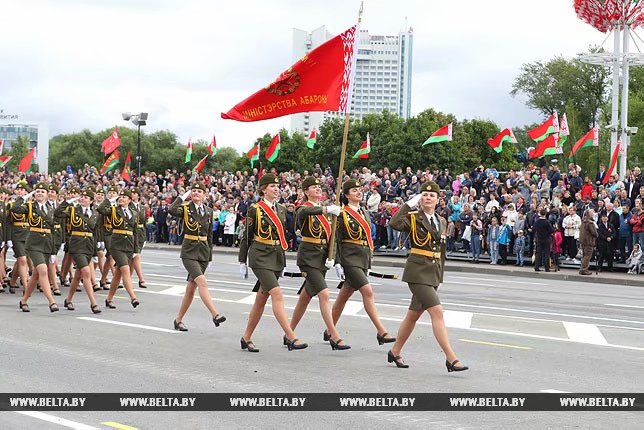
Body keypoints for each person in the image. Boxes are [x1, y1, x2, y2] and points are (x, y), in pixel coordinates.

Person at [387, 181, 468, 371]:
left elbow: (441, 252)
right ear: (420, 199)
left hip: (432, 273)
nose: (428, 198)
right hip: (417, 272)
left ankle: (395, 351)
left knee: (413, 315)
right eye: (424, 195)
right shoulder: (413, 218)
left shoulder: (441, 220)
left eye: (432, 196)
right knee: (437, 312)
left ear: (438, 199)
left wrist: (439, 277)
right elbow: (394, 223)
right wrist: (408, 205)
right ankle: (451, 358)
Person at [238, 173, 308, 352]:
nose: (276, 189)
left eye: (277, 187)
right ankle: (291, 336)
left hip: (276, 256)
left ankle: (246, 338)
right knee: (277, 294)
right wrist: (242, 260)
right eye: (272, 187)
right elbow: (247, 236)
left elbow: (287, 234)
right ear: (263, 189)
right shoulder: (255, 209)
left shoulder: (283, 209)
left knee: (261, 300)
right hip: (260, 256)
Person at [331, 179, 396, 346]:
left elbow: (367, 238)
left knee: (344, 296)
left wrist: (368, 261)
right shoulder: (341, 213)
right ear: (346, 195)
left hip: (362, 257)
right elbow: (335, 239)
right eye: (354, 191)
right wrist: (337, 261)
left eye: (360, 190)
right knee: (367, 291)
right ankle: (381, 331)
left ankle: (329, 330)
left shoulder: (364, 212)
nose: (359, 193)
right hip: (349, 258)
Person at [288, 177, 349, 350]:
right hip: (308, 258)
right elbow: (303, 214)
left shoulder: (328, 214)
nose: (317, 189)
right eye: (313, 187)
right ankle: (333, 335)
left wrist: (335, 260)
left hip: (322, 258)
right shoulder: (304, 208)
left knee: (305, 298)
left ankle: (289, 333)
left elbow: (332, 238)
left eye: (318, 187)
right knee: (324, 294)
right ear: (305, 191)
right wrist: (327, 209)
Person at [169, 182, 225, 331]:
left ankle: (178, 319)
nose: (196, 193)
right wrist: (182, 196)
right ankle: (215, 314)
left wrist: (210, 256)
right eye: (193, 191)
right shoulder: (186, 208)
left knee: (191, 288)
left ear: (204, 195)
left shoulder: (208, 211)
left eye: (199, 191)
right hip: (189, 251)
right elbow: (171, 209)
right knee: (202, 283)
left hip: (203, 251)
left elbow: (210, 235)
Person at [11, 184, 59, 313]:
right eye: (37, 191)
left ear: (47, 194)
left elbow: (53, 230)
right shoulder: (29, 207)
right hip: (34, 243)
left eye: (42, 191)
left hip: (47, 243)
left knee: (36, 275)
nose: (39, 193)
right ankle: (51, 301)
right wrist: (23, 197)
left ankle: (24, 300)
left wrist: (54, 251)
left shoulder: (51, 208)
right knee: (43, 270)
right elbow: (15, 209)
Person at [55, 188, 102, 313]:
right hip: (76, 245)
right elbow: (57, 213)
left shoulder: (96, 213)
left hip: (89, 245)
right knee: (86, 273)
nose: (82, 199)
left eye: (86, 198)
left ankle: (68, 299)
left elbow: (95, 232)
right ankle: (93, 303)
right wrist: (67, 202)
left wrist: (95, 252)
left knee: (78, 275)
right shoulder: (73, 210)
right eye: (81, 197)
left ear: (91, 201)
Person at [98, 189, 140, 309]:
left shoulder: (134, 212)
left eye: (124, 197)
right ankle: (133, 297)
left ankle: (109, 299)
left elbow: (135, 231)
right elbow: (100, 209)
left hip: (129, 245)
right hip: (117, 245)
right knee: (125, 270)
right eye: (120, 197)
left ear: (129, 200)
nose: (121, 199)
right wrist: (109, 199)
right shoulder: (114, 210)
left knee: (118, 274)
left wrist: (136, 250)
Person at [129, 188, 147, 288]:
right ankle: (141, 279)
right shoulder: (128, 207)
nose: (133, 195)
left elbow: (144, 223)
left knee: (133, 258)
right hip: (132, 233)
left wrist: (144, 238)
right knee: (136, 256)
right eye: (132, 193)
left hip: (140, 233)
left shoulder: (143, 208)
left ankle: (128, 279)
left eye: (135, 193)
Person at [579, 209, 598, 275]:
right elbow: (594, 233)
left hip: (583, 241)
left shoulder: (583, 222)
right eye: (592, 213)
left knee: (585, 255)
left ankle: (583, 268)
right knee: (587, 256)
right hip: (589, 241)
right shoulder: (590, 223)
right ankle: (584, 269)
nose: (593, 214)